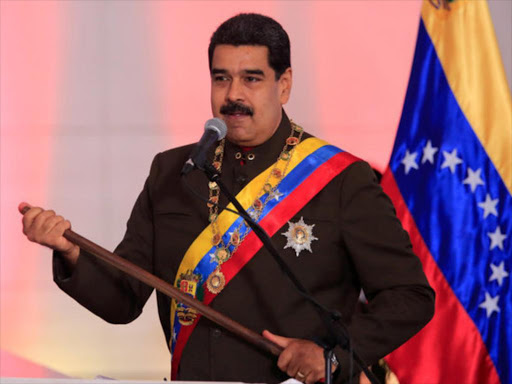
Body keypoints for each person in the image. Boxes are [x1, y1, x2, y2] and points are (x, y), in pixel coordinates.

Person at [19, 13, 434, 384]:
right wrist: (70, 252)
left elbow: (410, 297)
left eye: (251, 78)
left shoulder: (341, 179)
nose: (233, 94)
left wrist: (333, 358)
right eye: (221, 78)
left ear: (284, 84)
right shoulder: (171, 172)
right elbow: (123, 300)